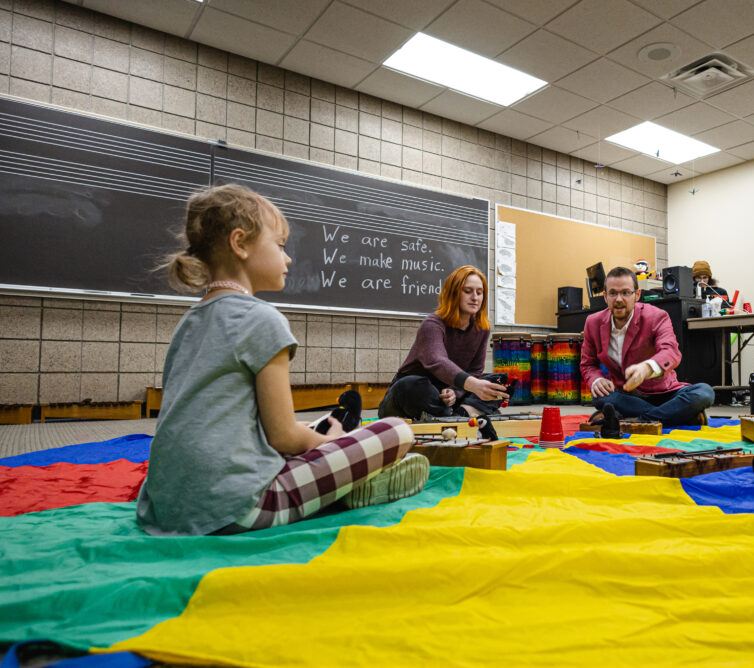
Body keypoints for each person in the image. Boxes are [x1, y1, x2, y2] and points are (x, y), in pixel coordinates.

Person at [137, 184, 428, 536]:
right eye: (279, 245)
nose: (288, 258)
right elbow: (283, 439)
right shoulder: (261, 319)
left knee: (318, 424)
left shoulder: (189, 322)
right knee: (396, 430)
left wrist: (314, 436)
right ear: (240, 243)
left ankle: (341, 480)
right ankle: (343, 491)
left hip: (163, 508)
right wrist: (332, 444)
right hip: (238, 507)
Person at [581, 266, 714, 427]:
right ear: (605, 296)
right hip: (626, 394)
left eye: (625, 293)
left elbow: (671, 351)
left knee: (704, 393)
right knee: (600, 396)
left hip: (665, 392)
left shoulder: (656, 316)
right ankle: (675, 415)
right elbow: (588, 364)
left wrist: (646, 369)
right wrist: (597, 380)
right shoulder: (593, 322)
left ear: (637, 295)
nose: (618, 299)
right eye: (613, 293)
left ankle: (640, 420)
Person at [378, 265, 509, 420]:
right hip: (415, 391)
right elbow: (437, 361)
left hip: (449, 394)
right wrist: (472, 385)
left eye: (479, 292)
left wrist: (455, 391)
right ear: (454, 293)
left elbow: (475, 371)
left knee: (498, 383)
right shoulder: (432, 324)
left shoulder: (482, 328)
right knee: (412, 385)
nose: (475, 297)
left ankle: (458, 414)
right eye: (468, 291)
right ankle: (464, 413)